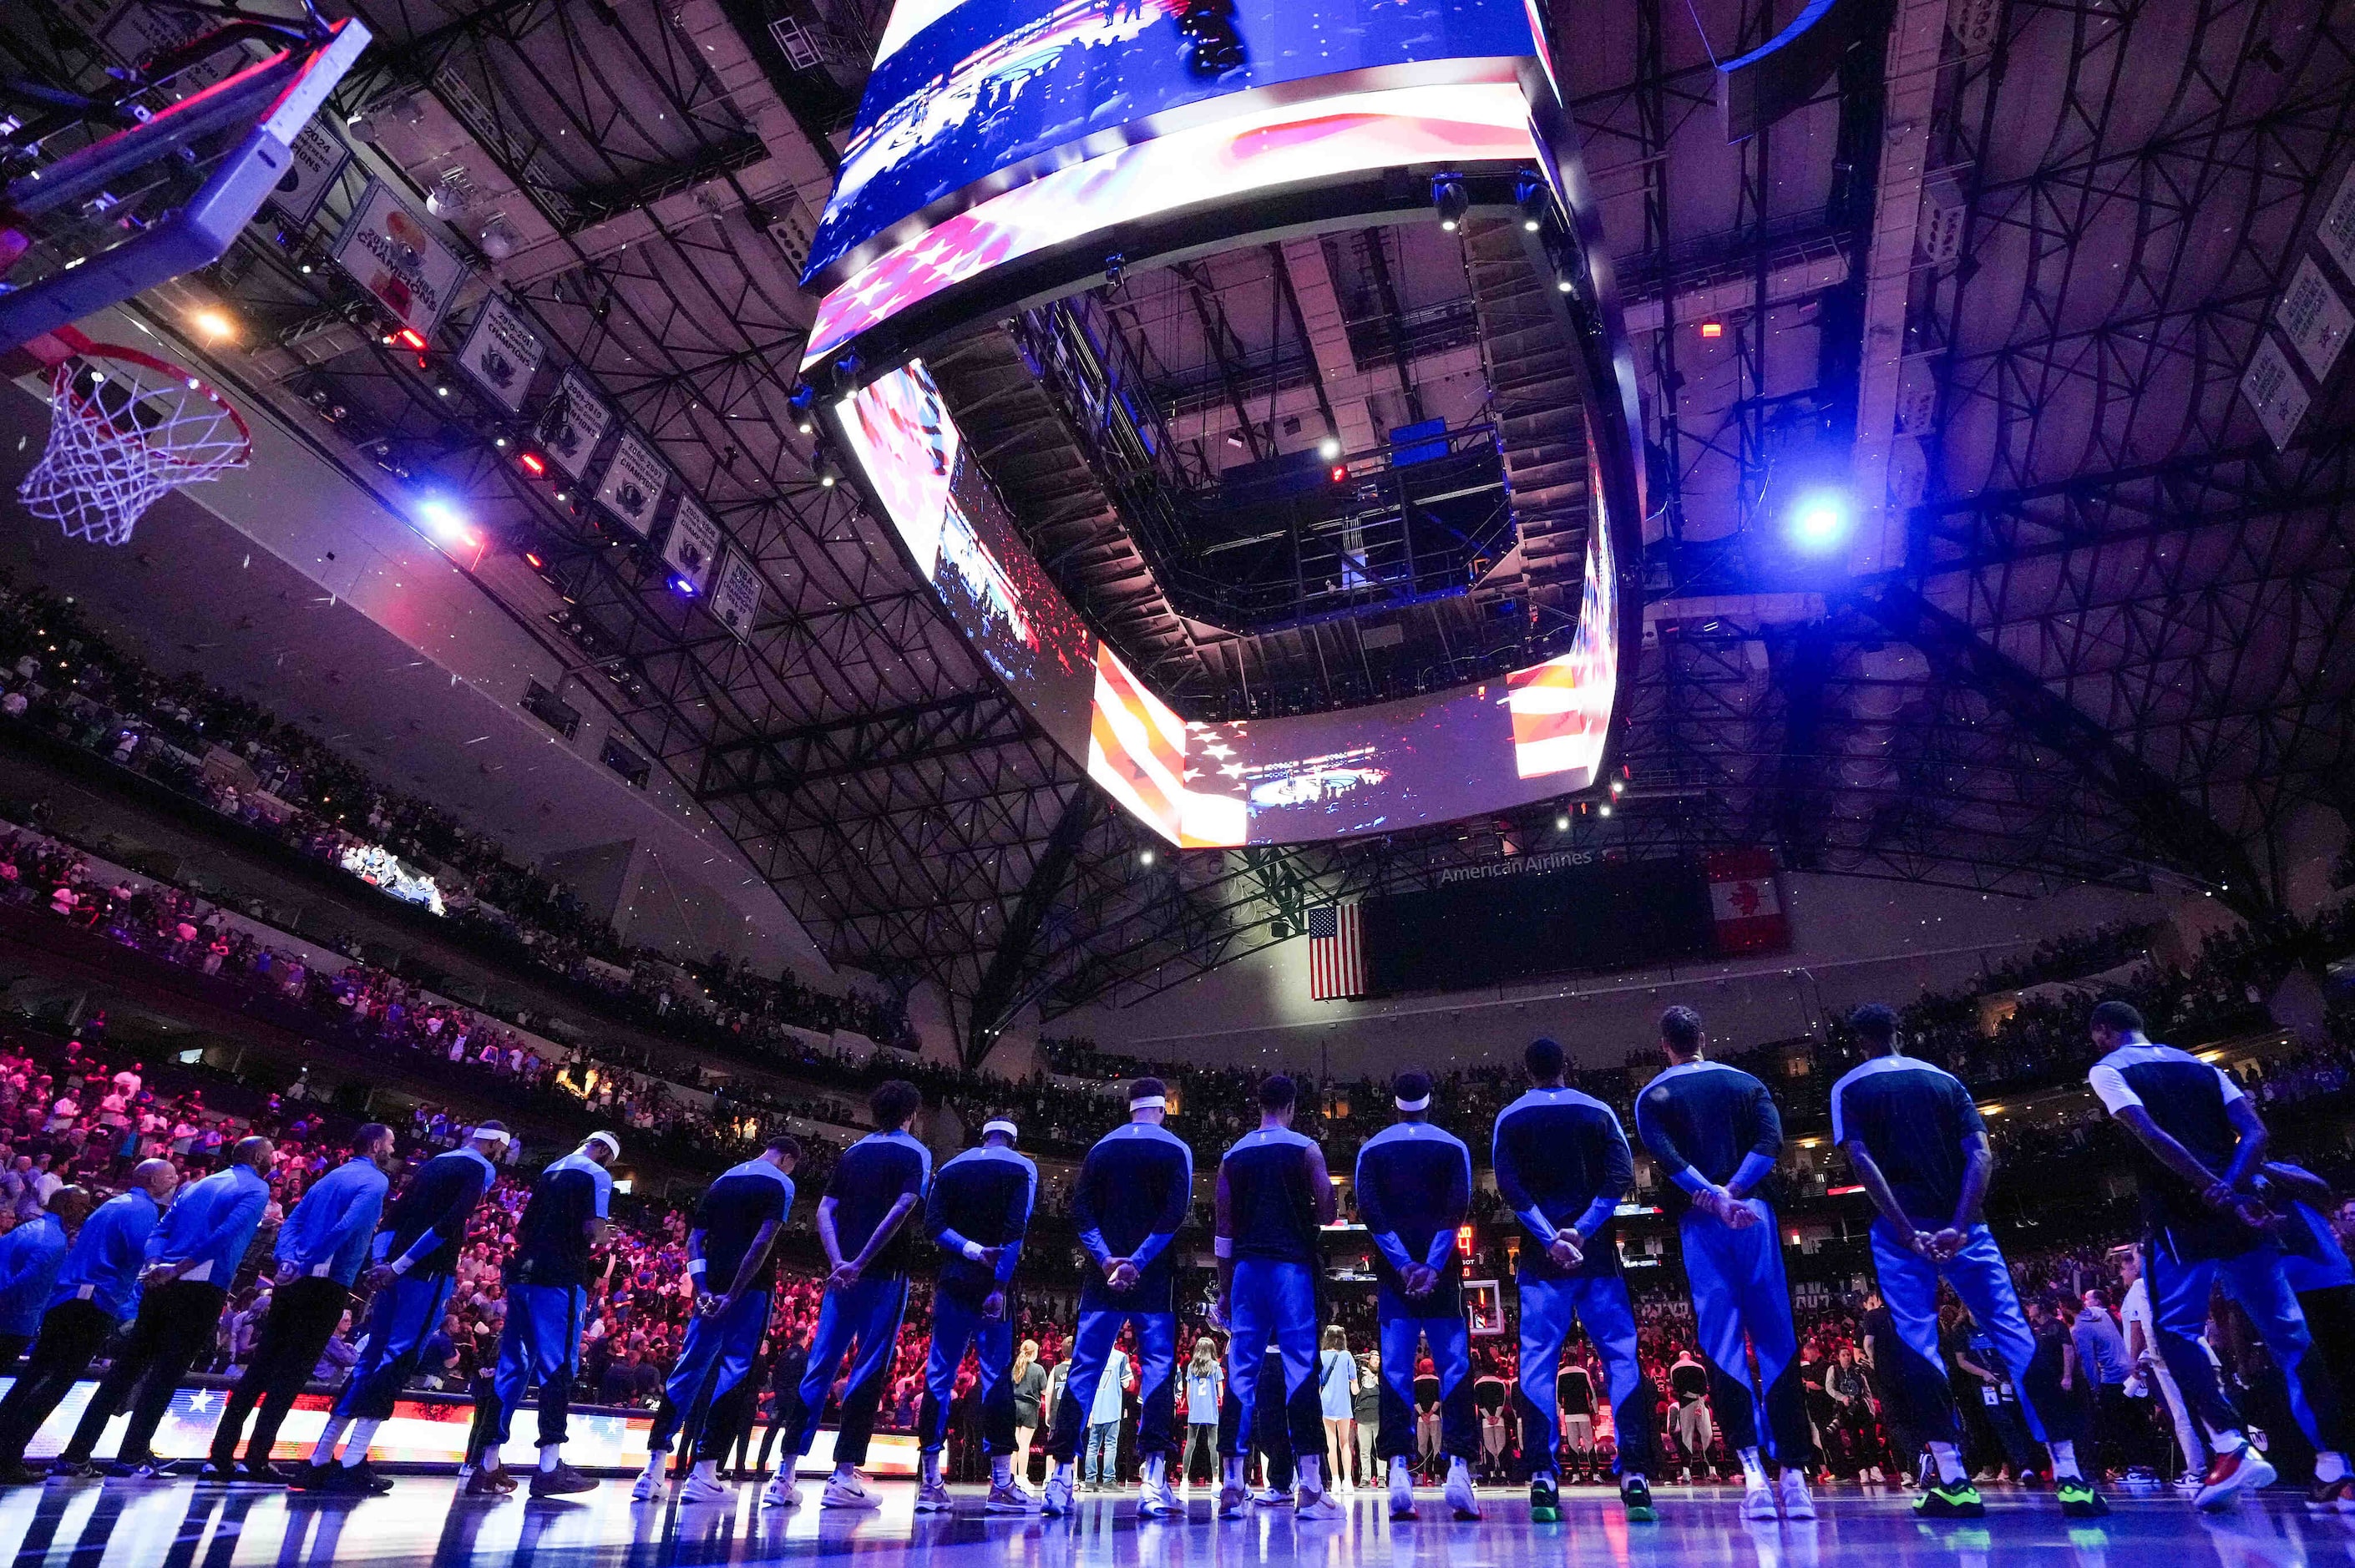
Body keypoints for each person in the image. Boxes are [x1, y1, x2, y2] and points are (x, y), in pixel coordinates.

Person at [1835, 1002, 2100, 1517]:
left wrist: (1908, 1228)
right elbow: (1981, 1155)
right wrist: (1960, 1222)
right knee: (2016, 1336)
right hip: (1968, 1228)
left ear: (1858, 1042)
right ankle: (2071, 1475)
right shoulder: (1945, 1080)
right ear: (1899, 1029)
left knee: (1918, 1345)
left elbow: (1862, 1160)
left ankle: (1953, 1482)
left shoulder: (1850, 1086)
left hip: (1900, 1234)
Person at [2087, 998, 2349, 1508]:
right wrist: (2231, 1186)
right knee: (2290, 1337)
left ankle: (2231, 1447)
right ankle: (2335, 1464)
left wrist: (2210, 1187)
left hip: (2182, 1215)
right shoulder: (2199, 1065)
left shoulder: (2108, 1069)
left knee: (2173, 1331)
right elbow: (2256, 1132)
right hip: (2239, 1210)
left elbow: (2151, 1136)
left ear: (2103, 1031)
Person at [1633, 1006, 1812, 1520]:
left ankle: (1754, 1475)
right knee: (1777, 1338)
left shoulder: (1653, 1095)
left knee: (1722, 1341)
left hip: (1701, 1221)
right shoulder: (1746, 1082)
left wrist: (1712, 1196)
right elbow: (1770, 1143)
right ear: (1703, 1038)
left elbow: (1666, 1157)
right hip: (1753, 1214)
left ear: (1665, 1044)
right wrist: (1734, 1191)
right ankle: (1795, 1476)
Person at [1495, 1036, 1659, 1524]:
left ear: (1526, 1071)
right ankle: (1634, 1476)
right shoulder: (1598, 1110)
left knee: (1538, 1362)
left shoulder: (1511, 1117)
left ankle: (1543, 1477)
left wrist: (1551, 1239)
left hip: (1542, 1264)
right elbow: (1619, 1176)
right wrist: (1582, 1232)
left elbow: (1511, 1189)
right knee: (1619, 1357)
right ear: (1565, 1066)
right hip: (1598, 1260)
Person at [302, 1121, 508, 1493]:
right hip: (424, 1275)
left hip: (392, 1269)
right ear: (494, 1146)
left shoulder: (433, 1164)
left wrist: (383, 1264)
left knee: (369, 1360)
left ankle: (320, 1459)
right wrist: (400, 1266)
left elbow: (393, 1216)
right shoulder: (480, 1168)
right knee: (398, 1359)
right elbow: (449, 1224)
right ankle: (352, 1463)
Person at [56, 1136, 274, 1477]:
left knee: (125, 1369)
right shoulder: (257, 1189)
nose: (275, 1160)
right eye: (272, 1154)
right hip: (200, 1287)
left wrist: (156, 1265)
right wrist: (180, 1267)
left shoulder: (197, 1185)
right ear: (260, 1156)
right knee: (165, 1376)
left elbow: (161, 1230)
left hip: (161, 1283)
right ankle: (130, 1457)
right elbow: (225, 1235)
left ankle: (76, 1453)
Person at [764, 1080, 929, 1511]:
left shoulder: (852, 1152)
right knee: (867, 1371)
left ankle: (784, 1476)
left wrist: (839, 1261)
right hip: (884, 1275)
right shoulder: (917, 1153)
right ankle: (843, 1475)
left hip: (841, 1280)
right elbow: (902, 1209)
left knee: (818, 1371)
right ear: (910, 1113)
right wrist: (861, 1260)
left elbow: (823, 1209)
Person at [205, 1123, 395, 1483]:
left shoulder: (327, 1178)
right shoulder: (375, 1182)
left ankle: (220, 1455)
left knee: (261, 1366)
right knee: (291, 1374)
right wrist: (308, 1260)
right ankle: (257, 1457)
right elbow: (347, 1227)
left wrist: (287, 1259)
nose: (393, 1151)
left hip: (291, 1279)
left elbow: (293, 1221)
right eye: (390, 1144)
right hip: (327, 1283)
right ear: (374, 1146)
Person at [1043, 1077, 1193, 1517]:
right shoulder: (1175, 1148)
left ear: (1129, 1107)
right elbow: (1174, 1214)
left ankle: (1060, 1478)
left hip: (1101, 1279)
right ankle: (1153, 1482)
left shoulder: (1100, 1148)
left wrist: (1108, 1260)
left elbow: (1081, 1213)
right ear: (1163, 1107)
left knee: (1083, 1371)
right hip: (1152, 1280)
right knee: (1159, 1372)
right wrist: (1138, 1262)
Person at [636, 1135, 798, 1504]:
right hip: (749, 1290)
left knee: (687, 1369)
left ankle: (653, 1469)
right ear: (788, 1160)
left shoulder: (722, 1179)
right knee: (735, 1373)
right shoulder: (782, 1183)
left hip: (710, 1288)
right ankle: (705, 1471)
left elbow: (694, 1240)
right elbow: (762, 1243)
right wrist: (735, 1293)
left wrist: (703, 1286)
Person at [1353, 1068, 1481, 1520]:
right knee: (1455, 1367)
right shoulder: (1453, 1146)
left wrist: (1404, 1264)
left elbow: (1370, 1212)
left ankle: (1399, 1471)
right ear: (1429, 1101)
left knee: (1394, 1371)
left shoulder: (1372, 1149)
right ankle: (1460, 1470)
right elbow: (1456, 1210)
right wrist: (1431, 1265)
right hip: (1441, 1277)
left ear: (1395, 1103)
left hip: (1395, 1279)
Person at [1213, 1074, 1341, 1520]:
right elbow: (1328, 1211)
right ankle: (1310, 1485)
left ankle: (1232, 1478)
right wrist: (1327, 1196)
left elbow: (1223, 1232)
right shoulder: (1306, 1148)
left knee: (1241, 1376)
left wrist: (1225, 1292)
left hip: (1246, 1271)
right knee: (1301, 1371)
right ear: (1291, 1106)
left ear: (1258, 1105)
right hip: (1291, 1270)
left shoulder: (1233, 1155)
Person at [0, 1159, 177, 1481]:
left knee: (34, 1378)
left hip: (67, 1300)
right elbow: (144, 1256)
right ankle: (8, 1458)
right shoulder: (142, 1210)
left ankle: (5, 1453)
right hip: (91, 1304)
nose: (175, 1182)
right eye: (170, 1176)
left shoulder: (114, 1205)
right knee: (52, 1385)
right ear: (152, 1180)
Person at [466, 1131, 619, 1498]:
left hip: (523, 1275)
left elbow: (523, 1227)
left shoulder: (551, 1169)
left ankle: (486, 1464)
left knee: (512, 1368)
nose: (607, 1166)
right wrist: (606, 1236)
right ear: (601, 1150)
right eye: (609, 1159)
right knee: (559, 1368)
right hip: (559, 1279)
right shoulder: (597, 1174)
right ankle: (550, 1465)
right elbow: (594, 1231)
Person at [915, 1116, 1036, 1513]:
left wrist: (969, 1249)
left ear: (981, 1137)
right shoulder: (1022, 1167)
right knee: (996, 1379)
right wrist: (999, 1285)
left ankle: (930, 1483)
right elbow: (1014, 1230)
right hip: (991, 1288)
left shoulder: (950, 1166)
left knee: (938, 1376)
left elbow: (932, 1225)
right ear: (1013, 1140)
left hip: (952, 1281)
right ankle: (1001, 1484)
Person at [2251, 1161, 2355, 1508]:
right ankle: (2340, 1476)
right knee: (2315, 1383)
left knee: (2340, 1378)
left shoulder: (2276, 1168)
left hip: (2334, 1280)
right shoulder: (2216, 1178)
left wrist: (2261, 1163)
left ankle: (2338, 1475)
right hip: (2282, 1293)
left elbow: (2322, 1190)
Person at [2117, 1242, 2206, 1486]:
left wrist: (2139, 1359)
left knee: (2180, 1413)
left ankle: (2197, 1469)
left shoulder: (2139, 1285)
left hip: (2163, 1356)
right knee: (2200, 1407)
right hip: (2184, 1347)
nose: (2125, 1271)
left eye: (2131, 1264)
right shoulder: (2169, 1278)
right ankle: (2219, 1461)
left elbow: (2141, 1327)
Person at [0, 1186, 92, 1369]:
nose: (84, 1213)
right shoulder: (54, 1240)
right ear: (67, 1206)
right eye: (82, 1206)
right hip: (13, 1324)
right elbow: (24, 1283)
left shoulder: (25, 1228)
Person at [2073, 1287, 2132, 1478]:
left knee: (2118, 1426)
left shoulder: (2082, 1326)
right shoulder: (2102, 1314)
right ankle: (2139, 1466)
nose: (2087, 1303)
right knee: (2131, 1422)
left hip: (2110, 1377)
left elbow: (2089, 1362)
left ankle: (2134, 1467)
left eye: (2089, 1299)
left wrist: (2094, 1387)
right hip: (2127, 1371)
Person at [1317, 1327, 1357, 1493]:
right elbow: (1355, 1389)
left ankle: (1335, 1481)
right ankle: (1347, 1480)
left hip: (1326, 1404)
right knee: (1345, 1443)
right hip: (1343, 1404)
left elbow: (1318, 1385)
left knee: (1330, 1444)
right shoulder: (1347, 1356)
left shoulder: (1321, 1356)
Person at [1182, 1337, 1222, 1490]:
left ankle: (1184, 1478)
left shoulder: (1191, 1367)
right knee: (1213, 1444)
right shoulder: (1216, 1367)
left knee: (1190, 1443)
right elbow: (1221, 1392)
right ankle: (1216, 1479)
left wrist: (1192, 1407)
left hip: (1195, 1410)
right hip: (1210, 1410)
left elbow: (1188, 1393)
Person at [1667, 1348, 1713, 1480]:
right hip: (1701, 1403)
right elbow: (1705, 1388)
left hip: (1686, 1404)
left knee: (1686, 1437)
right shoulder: (1699, 1367)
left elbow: (1675, 1387)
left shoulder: (1675, 1367)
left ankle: (1686, 1472)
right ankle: (1713, 1470)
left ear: (1680, 1357)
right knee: (1707, 1435)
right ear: (1690, 1356)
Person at [1011, 1340, 1046, 1482]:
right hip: (1029, 1408)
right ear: (1035, 1353)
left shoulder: (1014, 1367)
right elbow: (1044, 1390)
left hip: (1014, 1406)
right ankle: (1022, 1476)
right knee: (1024, 1444)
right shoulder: (1038, 1369)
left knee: (1014, 1443)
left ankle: (1012, 1476)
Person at [1352, 1348, 1380, 1491]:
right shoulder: (1360, 1374)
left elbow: (1384, 1388)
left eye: (1378, 1360)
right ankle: (1365, 1477)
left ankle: (1382, 1477)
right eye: (1373, 1359)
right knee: (1364, 1450)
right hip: (1363, 1416)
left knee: (1380, 1449)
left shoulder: (1382, 1376)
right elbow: (1354, 1391)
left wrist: (1373, 1376)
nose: (1376, 1361)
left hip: (1378, 1416)